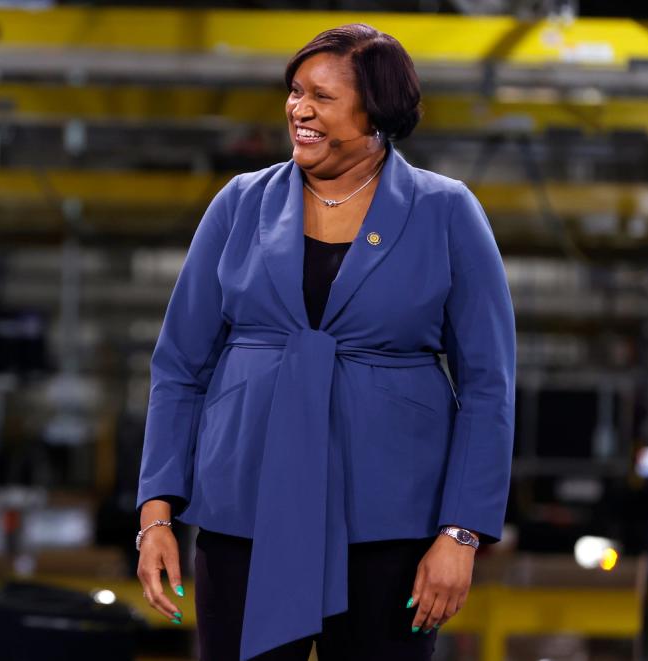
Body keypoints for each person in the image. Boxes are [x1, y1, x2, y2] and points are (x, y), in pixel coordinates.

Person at [135, 22, 516, 661]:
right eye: (294, 91)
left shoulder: (447, 210)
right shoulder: (238, 205)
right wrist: (156, 514)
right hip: (245, 512)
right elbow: (178, 368)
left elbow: (489, 385)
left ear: (376, 112)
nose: (299, 110)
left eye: (322, 97)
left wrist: (461, 534)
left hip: (389, 525)